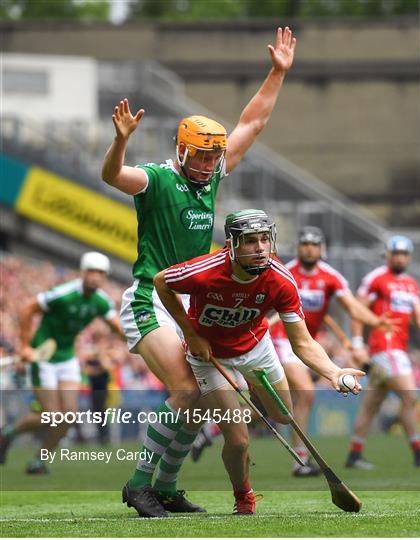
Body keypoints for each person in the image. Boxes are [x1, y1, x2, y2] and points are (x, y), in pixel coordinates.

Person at [101, 27, 297, 518]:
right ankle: (139, 484)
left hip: (186, 303)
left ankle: (165, 487)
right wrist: (120, 143)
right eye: (203, 155)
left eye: (216, 155)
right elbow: (113, 177)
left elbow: (251, 124)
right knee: (188, 390)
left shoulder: (210, 180)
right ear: (183, 150)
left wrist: (277, 72)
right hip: (151, 297)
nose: (211, 163)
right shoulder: (157, 177)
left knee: (202, 400)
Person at [154, 209, 365, 515]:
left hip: (256, 348)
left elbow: (302, 342)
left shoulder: (280, 279)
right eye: (250, 241)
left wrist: (332, 371)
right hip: (211, 357)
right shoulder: (204, 270)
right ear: (232, 244)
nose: (260, 248)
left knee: (282, 416)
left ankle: (243, 400)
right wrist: (189, 331)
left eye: (265, 239)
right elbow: (161, 282)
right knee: (239, 441)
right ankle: (244, 495)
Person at [267, 226, 395, 477]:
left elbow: (353, 308)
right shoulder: (285, 272)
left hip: (304, 345)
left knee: (277, 401)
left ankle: (211, 428)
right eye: (304, 243)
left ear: (322, 249)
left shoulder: (331, 277)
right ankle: (301, 459)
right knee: (306, 394)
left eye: (314, 244)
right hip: (279, 339)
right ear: (298, 248)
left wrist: (375, 321)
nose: (309, 248)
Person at [0, 252, 123, 473]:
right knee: (52, 416)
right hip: (43, 357)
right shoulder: (63, 294)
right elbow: (28, 308)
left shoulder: (101, 301)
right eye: (92, 271)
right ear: (83, 272)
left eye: (101, 273)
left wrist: (141, 340)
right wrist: (25, 346)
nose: (96, 277)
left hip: (67, 358)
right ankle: (7, 434)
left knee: (68, 417)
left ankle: (38, 460)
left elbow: (117, 327)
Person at [345, 235, 420, 469]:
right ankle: (419, 453)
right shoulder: (376, 278)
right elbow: (357, 310)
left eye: (404, 254)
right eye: (396, 253)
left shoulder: (410, 283)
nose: (400, 257)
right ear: (388, 255)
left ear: (408, 257)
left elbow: (419, 312)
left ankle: (354, 454)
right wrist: (358, 342)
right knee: (410, 396)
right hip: (385, 348)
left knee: (372, 402)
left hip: (397, 348)